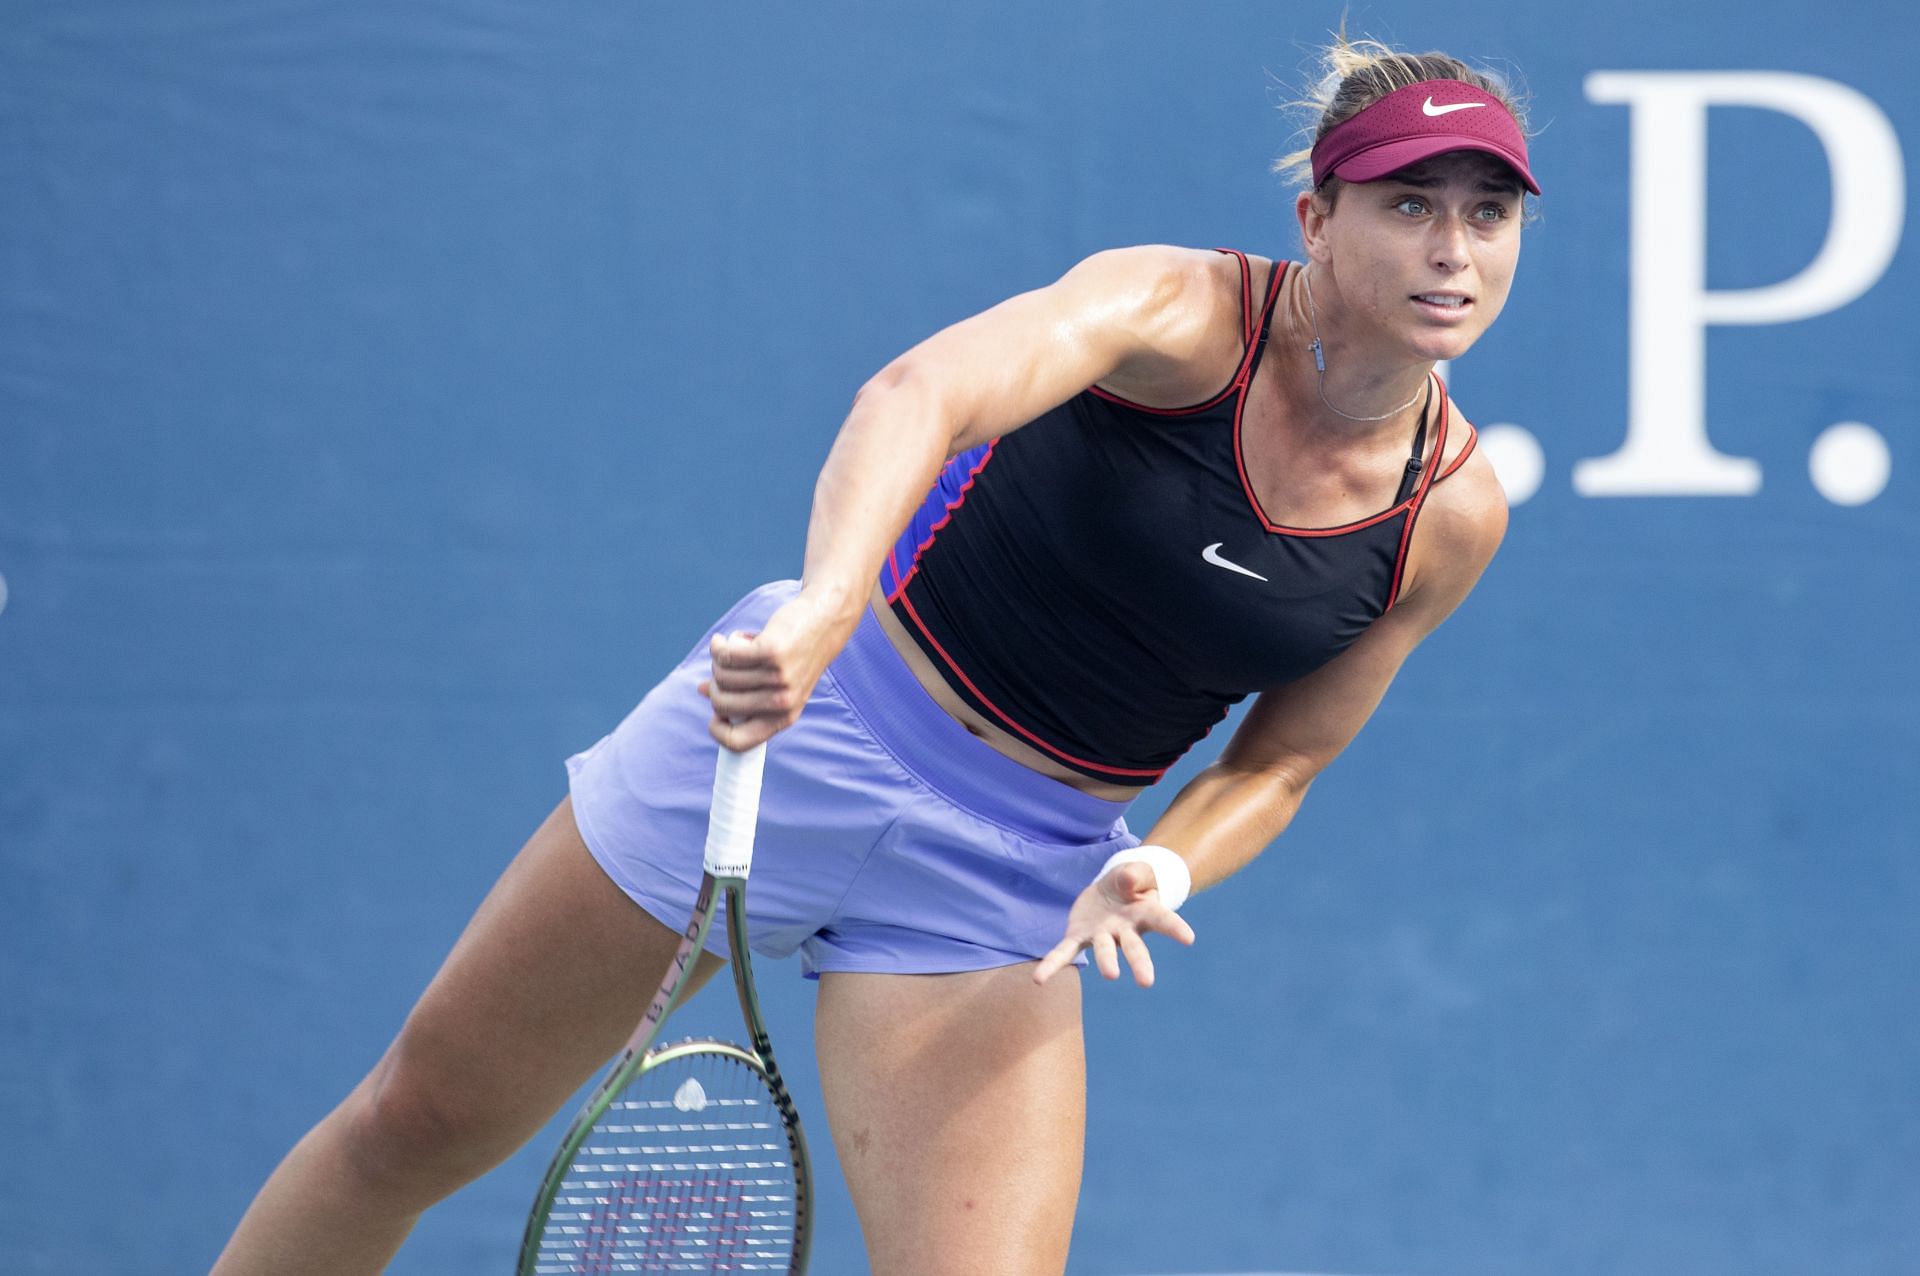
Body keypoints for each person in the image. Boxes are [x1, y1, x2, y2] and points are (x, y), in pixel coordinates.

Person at [213, 34, 1534, 1276]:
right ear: (1318, 218)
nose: (1454, 250)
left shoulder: (1452, 516)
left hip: (1015, 875)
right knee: (415, 1125)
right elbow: (922, 394)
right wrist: (824, 609)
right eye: (1409, 204)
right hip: (805, 730)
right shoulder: (1177, 312)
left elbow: (1287, 757)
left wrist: (1165, 857)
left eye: (1489, 212)